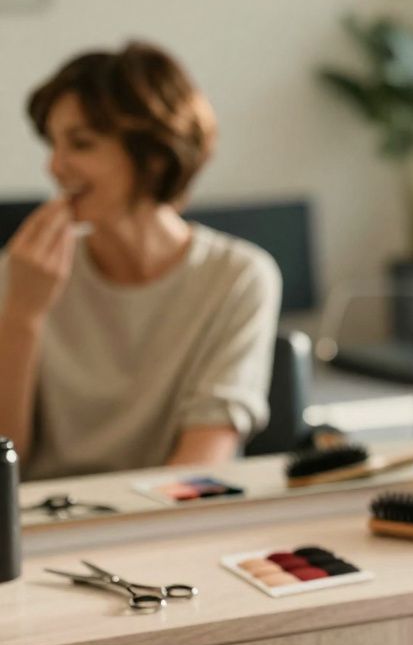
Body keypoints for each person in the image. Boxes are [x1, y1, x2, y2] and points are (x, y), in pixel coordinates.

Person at [0, 41, 281, 481]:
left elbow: (201, 468)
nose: (54, 167)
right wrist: (21, 316)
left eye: (81, 143)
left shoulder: (237, 278)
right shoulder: (22, 275)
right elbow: (4, 461)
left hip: (160, 528)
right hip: (40, 533)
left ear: (152, 154)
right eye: (53, 143)